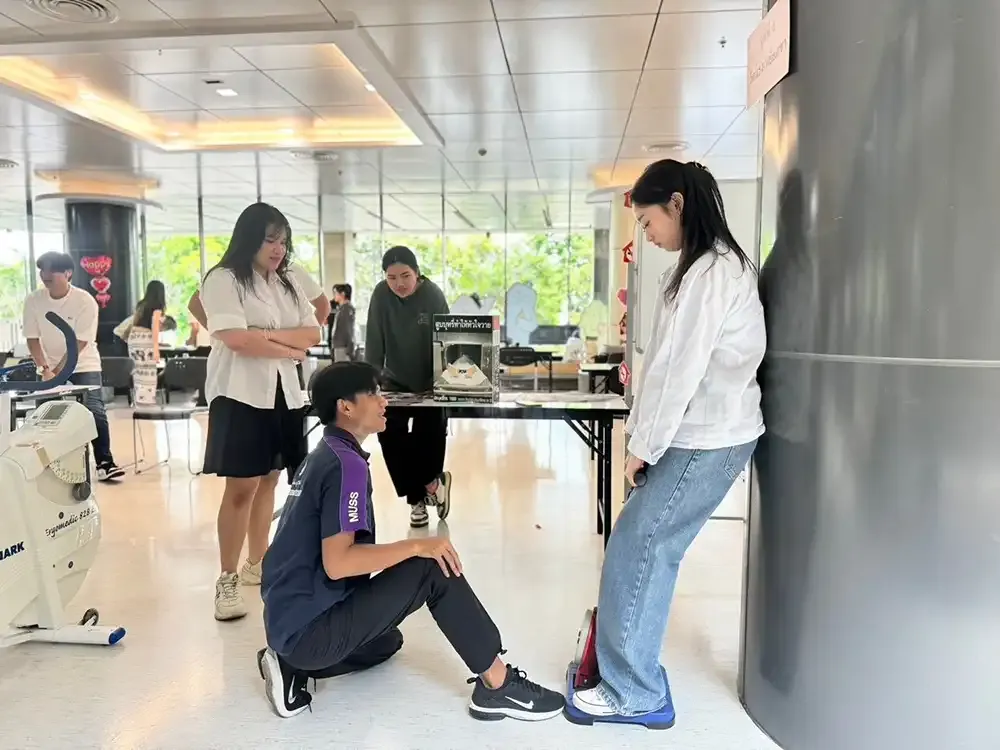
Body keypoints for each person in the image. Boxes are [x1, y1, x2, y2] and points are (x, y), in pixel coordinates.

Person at [257, 361, 565, 722]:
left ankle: (291, 662)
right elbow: (338, 563)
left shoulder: (325, 453)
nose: (383, 401)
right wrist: (418, 546)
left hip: (287, 623)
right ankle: (497, 685)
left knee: (388, 642)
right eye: (372, 393)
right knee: (431, 568)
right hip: (309, 630)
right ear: (346, 407)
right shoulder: (346, 465)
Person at [570, 160, 766, 720]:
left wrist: (642, 448)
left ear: (677, 204)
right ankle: (630, 676)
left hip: (707, 434)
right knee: (644, 544)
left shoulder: (712, 273)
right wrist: (643, 435)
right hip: (696, 431)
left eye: (648, 221)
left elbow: (680, 371)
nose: (647, 234)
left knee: (643, 546)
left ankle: (633, 691)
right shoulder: (697, 268)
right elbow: (662, 364)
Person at [198, 202, 321, 622]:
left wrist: (264, 336)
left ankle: (258, 563)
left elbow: (313, 332)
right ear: (249, 238)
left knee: (270, 478)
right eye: (270, 240)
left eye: (283, 241)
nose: (278, 249)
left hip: (285, 394)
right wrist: (287, 347)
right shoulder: (224, 278)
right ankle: (227, 578)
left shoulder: (287, 282)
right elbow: (235, 340)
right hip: (240, 393)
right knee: (241, 487)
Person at [364, 246, 451, 529]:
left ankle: (432, 483)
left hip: (430, 381)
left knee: (430, 434)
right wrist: (370, 383)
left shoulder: (433, 295)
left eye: (405, 275)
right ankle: (417, 500)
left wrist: (444, 380)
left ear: (417, 273)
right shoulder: (381, 295)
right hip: (394, 380)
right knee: (389, 433)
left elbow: (447, 340)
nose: (399, 283)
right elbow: (374, 339)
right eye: (391, 278)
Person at [22, 251, 126, 481]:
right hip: (47, 365)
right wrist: (45, 369)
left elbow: (79, 342)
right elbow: (32, 338)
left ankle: (105, 462)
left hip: (83, 363)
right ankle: (46, 464)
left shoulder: (84, 301)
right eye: (42, 270)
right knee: (45, 413)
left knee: (94, 409)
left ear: (68, 273)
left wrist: (58, 372)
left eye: (52, 270)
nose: (45, 275)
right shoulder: (34, 300)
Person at [117, 280, 167, 405]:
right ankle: (147, 400)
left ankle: (139, 399)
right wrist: (156, 350)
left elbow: (134, 322)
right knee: (149, 372)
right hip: (146, 339)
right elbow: (155, 328)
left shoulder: (141, 305)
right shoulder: (157, 306)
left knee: (137, 371)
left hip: (134, 338)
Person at [328, 283, 355, 362]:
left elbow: (348, 329)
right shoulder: (341, 308)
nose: (334, 296)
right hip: (338, 346)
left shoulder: (346, 309)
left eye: (336, 293)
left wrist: (350, 347)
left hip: (343, 347)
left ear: (342, 294)